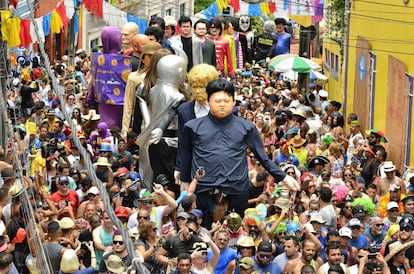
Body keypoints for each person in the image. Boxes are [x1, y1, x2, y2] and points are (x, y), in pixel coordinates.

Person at [178, 79, 298, 228]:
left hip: (236, 189)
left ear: (234, 101)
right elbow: (185, 156)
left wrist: (283, 176)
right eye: (217, 101)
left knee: (238, 231)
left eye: (226, 100)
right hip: (204, 188)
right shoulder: (192, 127)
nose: (222, 104)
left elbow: (263, 157)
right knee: (202, 230)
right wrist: (184, 181)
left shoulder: (247, 127)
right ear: (208, 101)